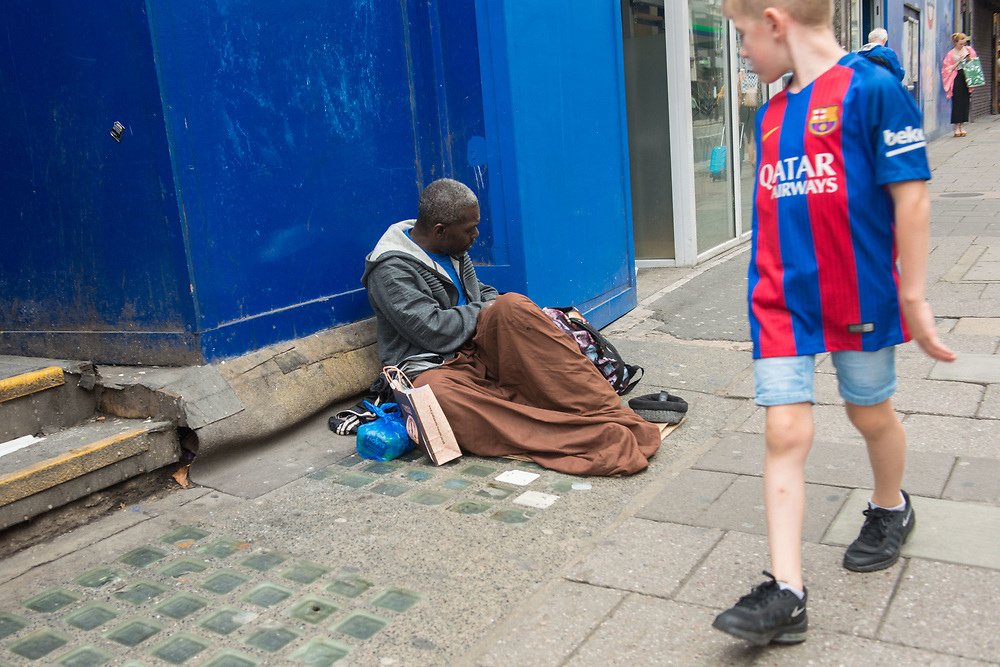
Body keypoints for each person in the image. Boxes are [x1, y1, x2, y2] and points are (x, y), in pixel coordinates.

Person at [713, 0, 957, 647]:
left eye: (741, 36)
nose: (741, 52)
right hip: (782, 302)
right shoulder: (768, 114)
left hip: (860, 296)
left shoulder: (873, 91)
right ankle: (787, 591)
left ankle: (889, 506)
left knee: (869, 412)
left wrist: (914, 298)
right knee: (784, 429)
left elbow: (913, 197)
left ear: (774, 22)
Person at [361, 178, 661, 476]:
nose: (477, 235)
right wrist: (485, 309)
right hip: (433, 363)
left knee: (512, 307)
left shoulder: (452, 246)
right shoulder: (390, 270)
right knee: (435, 397)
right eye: (470, 229)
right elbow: (432, 330)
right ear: (440, 230)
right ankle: (584, 435)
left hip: (472, 346)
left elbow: (483, 293)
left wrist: (493, 306)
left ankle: (603, 410)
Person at [942, 32, 977, 137]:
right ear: (955, 42)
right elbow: (947, 68)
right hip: (956, 77)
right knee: (957, 101)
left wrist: (969, 59)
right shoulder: (951, 54)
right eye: (961, 44)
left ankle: (962, 125)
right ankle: (956, 126)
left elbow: (975, 63)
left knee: (965, 101)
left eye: (964, 43)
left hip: (966, 77)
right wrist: (959, 61)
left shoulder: (969, 50)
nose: (962, 45)